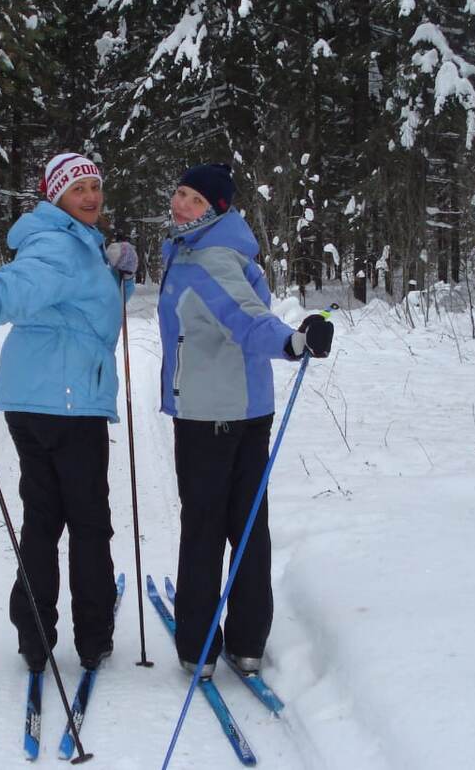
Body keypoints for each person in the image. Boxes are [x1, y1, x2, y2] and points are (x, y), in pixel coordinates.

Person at [0, 152, 137, 673]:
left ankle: (35, 639)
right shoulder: (60, 247)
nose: (90, 196)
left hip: (36, 400)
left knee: (43, 518)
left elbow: (76, 304)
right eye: (77, 187)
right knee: (86, 524)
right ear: (55, 196)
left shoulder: (76, 245)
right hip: (68, 404)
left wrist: (119, 274)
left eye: (94, 185)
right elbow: (15, 289)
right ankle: (92, 638)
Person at [157, 162, 333, 677]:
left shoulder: (207, 259)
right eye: (179, 194)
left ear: (218, 209)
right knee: (248, 526)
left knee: (205, 530)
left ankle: (199, 647)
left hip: (209, 417)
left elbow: (247, 320)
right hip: (248, 410)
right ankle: (247, 641)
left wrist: (291, 342)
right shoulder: (215, 251)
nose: (181, 205)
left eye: (194, 200)